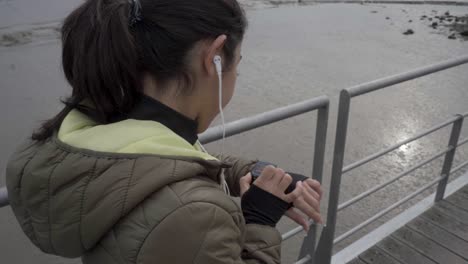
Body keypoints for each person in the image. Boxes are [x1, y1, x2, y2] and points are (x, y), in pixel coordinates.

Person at [5, 0, 323, 263]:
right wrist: (260, 223)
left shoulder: (89, 133)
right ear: (211, 57)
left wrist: (251, 172)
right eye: (236, 66)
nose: (235, 78)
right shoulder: (194, 215)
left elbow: (150, 168)